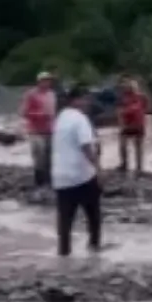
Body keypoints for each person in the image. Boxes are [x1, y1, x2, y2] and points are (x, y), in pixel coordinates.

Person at [51, 84, 102, 257]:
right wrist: (98, 169)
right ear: (77, 100)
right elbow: (86, 146)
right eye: (86, 98)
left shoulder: (61, 117)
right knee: (93, 215)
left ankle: (64, 253)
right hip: (81, 175)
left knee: (65, 219)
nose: (89, 102)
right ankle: (94, 250)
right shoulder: (80, 119)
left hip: (61, 176)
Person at [21, 71, 57, 189]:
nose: (47, 82)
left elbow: (54, 112)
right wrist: (41, 115)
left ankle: (49, 181)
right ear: (39, 82)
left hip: (50, 130)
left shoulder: (52, 94)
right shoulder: (31, 94)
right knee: (39, 156)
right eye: (44, 80)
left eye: (49, 80)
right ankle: (39, 182)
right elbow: (23, 112)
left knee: (50, 156)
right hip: (35, 131)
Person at [117, 77, 148, 174]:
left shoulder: (141, 97)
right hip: (127, 124)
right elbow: (119, 111)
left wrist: (126, 111)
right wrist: (121, 122)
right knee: (123, 145)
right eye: (124, 85)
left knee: (138, 147)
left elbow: (142, 108)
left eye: (127, 85)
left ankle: (139, 167)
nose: (125, 87)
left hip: (138, 124)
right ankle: (125, 164)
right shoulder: (122, 97)